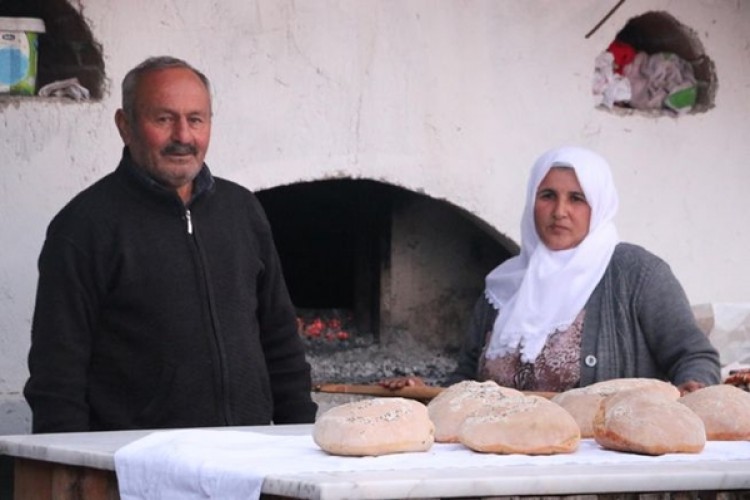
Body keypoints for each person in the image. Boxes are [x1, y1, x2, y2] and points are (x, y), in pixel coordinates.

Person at [24, 56, 317, 433]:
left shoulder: (242, 210)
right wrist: (67, 475)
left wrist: (300, 439)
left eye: (196, 119)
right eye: (163, 119)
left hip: (246, 458)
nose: (183, 136)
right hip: (135, 470)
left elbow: (280, 339)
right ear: (125, 125)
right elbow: (57, 375)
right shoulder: (83, 226)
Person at [381, 146, 720, 395]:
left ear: (598, 205)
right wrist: (425, 392)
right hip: (501, 459)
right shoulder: (503, 286)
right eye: (547, 195)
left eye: (576, 198)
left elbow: (694, 355)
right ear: (532, 201)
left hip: (600, 467)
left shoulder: (637, 274)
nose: (560, 211)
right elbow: (467, 381)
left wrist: (694, 388)